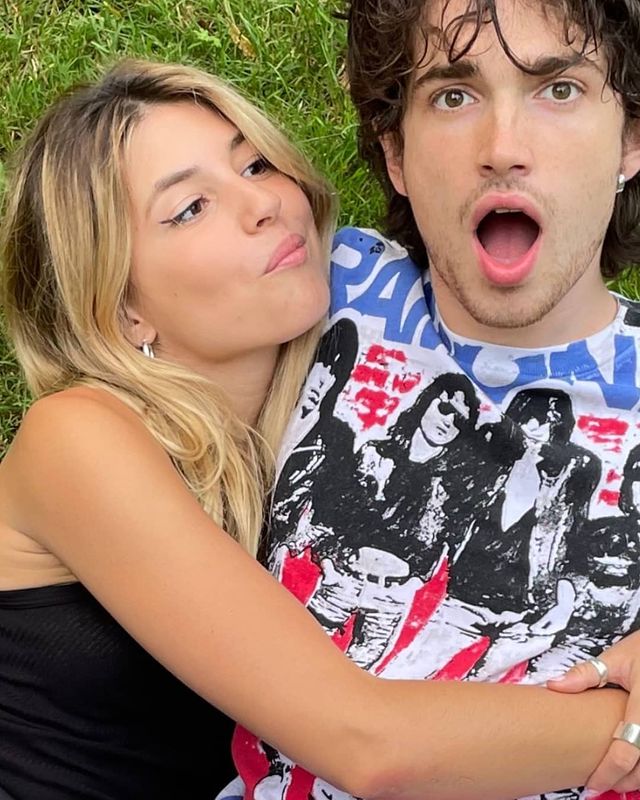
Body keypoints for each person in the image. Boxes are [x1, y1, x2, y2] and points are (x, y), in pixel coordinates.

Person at [2, 57, 635, 800]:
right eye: (190, 208)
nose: (263, 203)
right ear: (121, 308)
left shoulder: (304, 432)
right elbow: (369, 742)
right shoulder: (78, 440)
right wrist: (623, 723)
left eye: (256, 164)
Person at [230, 1, 640, 799]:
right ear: (396, 156)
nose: (503, 150)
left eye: (557, 89)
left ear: (630, 139)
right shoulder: (317, 293)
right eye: (454, 95)